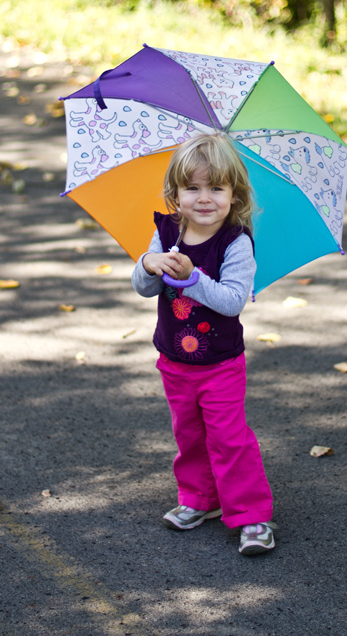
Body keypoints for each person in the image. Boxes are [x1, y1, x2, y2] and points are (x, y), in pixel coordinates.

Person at [131, 132, 275, 556]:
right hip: (174, 360)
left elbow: (232, 302)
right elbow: (142, 287)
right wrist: (148, 264)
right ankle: (200, 500)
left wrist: (194, 278)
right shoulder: (167, 231)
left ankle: (251, 516)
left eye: (216, 187)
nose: (204, 198)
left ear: (235, 193)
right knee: (189, 435)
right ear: (176, 193)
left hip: (220, 365)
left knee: (229, 438)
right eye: (192, 188)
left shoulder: (236, 242)